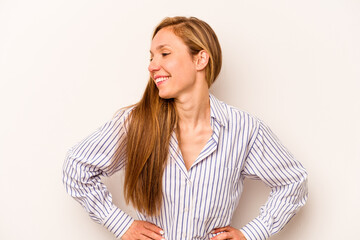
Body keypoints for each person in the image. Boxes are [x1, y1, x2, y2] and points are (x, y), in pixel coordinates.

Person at [62, 16, 308, 240]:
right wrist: (120, 224)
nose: (152, 66)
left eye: (164, 54)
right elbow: (76, 167)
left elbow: (293, 181)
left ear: (200, 59)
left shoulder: (244, 129)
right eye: (151, 57)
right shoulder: (136, 123)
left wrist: (253, 233)